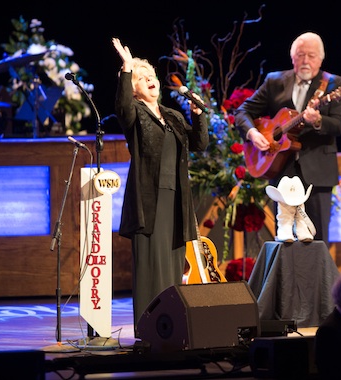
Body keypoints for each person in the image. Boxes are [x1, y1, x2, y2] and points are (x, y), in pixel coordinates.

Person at [112, 37, 209, 337]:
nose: (150, 80)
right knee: (151, 268)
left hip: (176, 202)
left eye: (151, 76)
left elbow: (200, 143)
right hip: (149, 204)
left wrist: (199, 117)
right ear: (134, 88)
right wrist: (128, 69)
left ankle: (171, 328)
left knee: (172, 267)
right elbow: (122, 109)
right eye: (142, 79)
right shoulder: (136, 115)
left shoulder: (174, 117)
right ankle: (146, 331)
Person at [234, 31, 341, 248]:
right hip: (281, 169)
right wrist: (253, 133)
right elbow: (242, 112)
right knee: (284, 239)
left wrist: (317, 121)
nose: (306, 60)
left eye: (312, 56)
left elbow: (340, 124)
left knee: (318, 238)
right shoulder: (275, 81)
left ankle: (319, 283)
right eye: (300, 54)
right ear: (292, 57)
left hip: (318, 171)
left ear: (321, 59)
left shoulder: (335, 85)